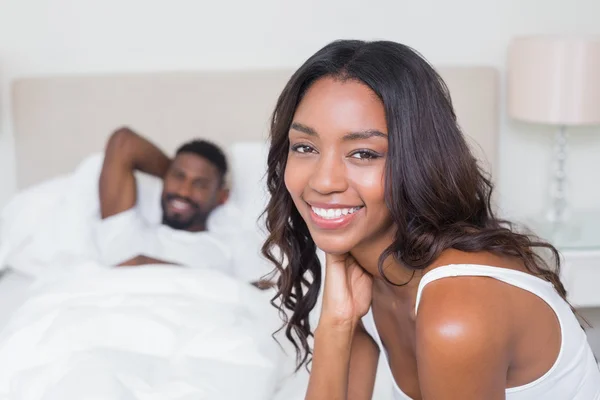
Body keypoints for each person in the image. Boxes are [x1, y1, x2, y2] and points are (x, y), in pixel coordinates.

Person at [261, 40, 600, 399]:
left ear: (418, 160)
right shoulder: (372, 276)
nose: (323, 181)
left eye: (363, 153)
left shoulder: (457, 312)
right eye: (305, 147)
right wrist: (336, 322)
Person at [96, 127, 231, 270]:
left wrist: (145, 264)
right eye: (178, 176)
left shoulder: (224, 251)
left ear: (221, 197)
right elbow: (124, 142)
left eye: (199, 184)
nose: (183, 192)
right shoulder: (125, 231)